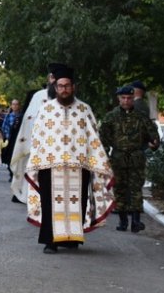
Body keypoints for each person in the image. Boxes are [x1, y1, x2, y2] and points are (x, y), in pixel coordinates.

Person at [25, 66, 113, 253]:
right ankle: (50, 241)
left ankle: (71, 238)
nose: (64, 89)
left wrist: (99, 162)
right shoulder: (46, 110)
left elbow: (93, 138)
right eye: (60, 86)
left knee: (76, 202)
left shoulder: (84, 110)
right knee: (50, 203)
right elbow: (37, 138)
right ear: (55, 88)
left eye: (67, 86)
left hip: (78, 165)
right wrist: (36, 161)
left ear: (74, 87)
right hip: (50, 164)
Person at [100, 85, 160, 232]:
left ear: (133, 98)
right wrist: (104, 155)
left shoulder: (141, 117)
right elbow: (103, 139)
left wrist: (154, 143)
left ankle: (136, 221)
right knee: (119, 188)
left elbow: (153, 135)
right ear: (118, 99)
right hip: (118, 157)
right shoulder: (111, 117)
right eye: (123, 98)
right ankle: (122, 221)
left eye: (129, 98)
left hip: (136, 157)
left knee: (135, 189)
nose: (126, 101)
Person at [9, 65, 61, 204]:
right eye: (55, 79)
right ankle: (30, 197)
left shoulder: (69, 98)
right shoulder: (39, 96)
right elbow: (29, 119)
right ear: (50, 79)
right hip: (38, 143)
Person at [0, 99, 23, 181]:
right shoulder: (8, 116)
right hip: (10, 140)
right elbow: (4, 127)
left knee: (18, 157)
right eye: (13, 104)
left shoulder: (22, 116)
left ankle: (16, 174)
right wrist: (5, 137)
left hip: (19, 140)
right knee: (9, 157)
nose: (15, 106)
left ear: (19, 105)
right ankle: (11, 173)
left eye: (16, 104)